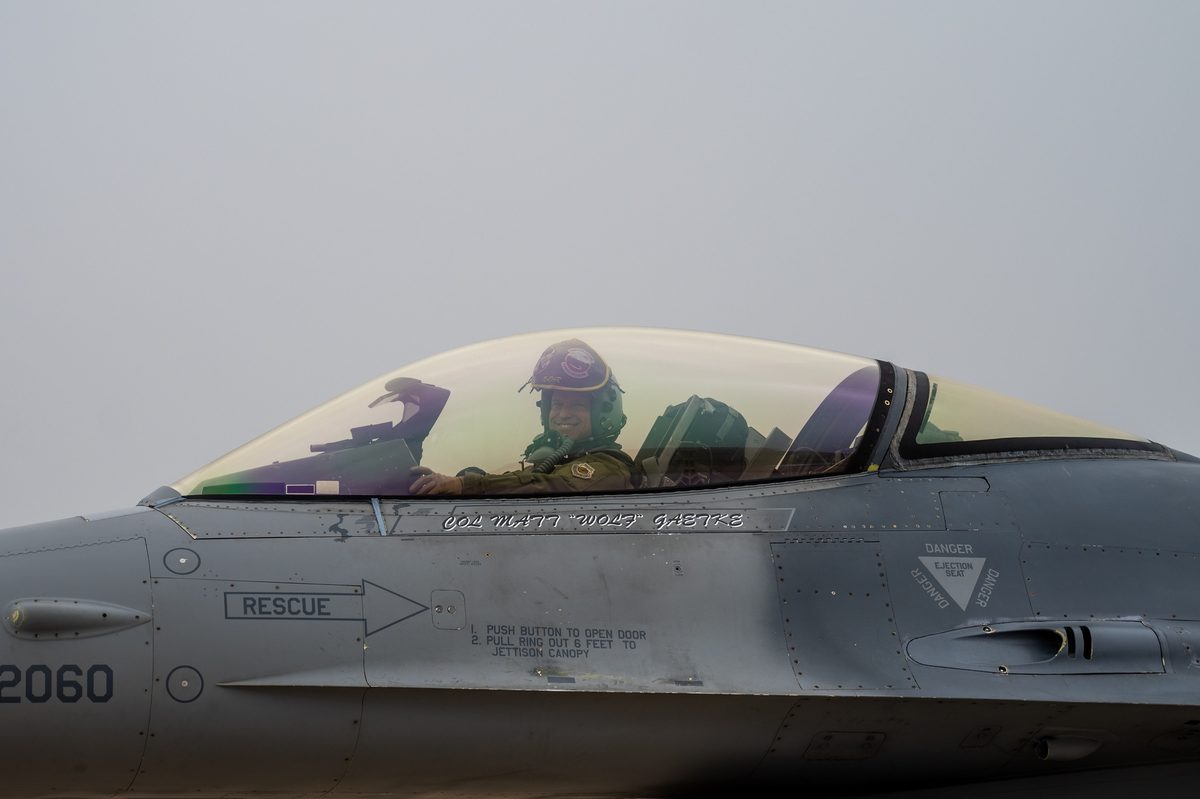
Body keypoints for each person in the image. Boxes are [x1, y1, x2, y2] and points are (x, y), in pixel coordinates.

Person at [409, 339, 637, 495]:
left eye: (576, 405)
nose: (562, 414)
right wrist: (442, 483)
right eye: (556, 405)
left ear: (603, 413)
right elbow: (526, 480)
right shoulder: (560, 463)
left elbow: (549, 487)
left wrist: (463, 485)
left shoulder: (609, 467)